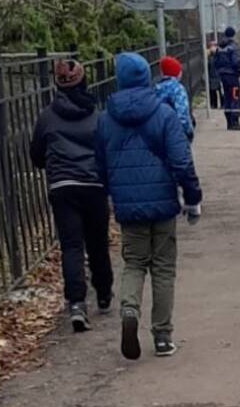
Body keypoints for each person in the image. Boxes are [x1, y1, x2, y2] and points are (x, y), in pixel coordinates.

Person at [95, 52, 203, 360]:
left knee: (134, 263)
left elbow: (100, 166)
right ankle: (162, 337)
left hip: (129, 207)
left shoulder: (106, 119)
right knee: (164, 267)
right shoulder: (164, 114)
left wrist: (109, 196)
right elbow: (181, 160)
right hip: (164, 201)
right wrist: (192, 197)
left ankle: (130, 310)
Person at [29, 59, 113, 333]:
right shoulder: (97, 115)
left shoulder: (47, 116)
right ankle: (103, 291)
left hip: (63, 186)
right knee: (97, 241)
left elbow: (36, 154)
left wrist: (54, 165)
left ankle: (76, 303)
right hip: (94, 185)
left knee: (71, 245)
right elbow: (106, 149)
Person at [213, 27, 240, 131]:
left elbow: (215, 62)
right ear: (233, 34)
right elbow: (236, 61)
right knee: (235, 97)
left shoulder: (219, 47)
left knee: (227, 97)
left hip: (223, 76)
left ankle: (229, 121)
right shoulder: (233, 47)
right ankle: (235, 121)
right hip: (232, 76)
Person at [156, 55, 195, 142]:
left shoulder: (156, 88)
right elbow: (182, 113)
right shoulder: (178, 89)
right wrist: (188, 131)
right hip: (176, 133)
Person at [206, 39, 222, 109]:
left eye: (214, 46)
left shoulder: (219, 54)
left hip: (218, 75)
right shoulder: (209, 56)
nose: (212, 48)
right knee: (212, 91)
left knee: (221, 91)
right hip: (212, 75)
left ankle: (223, 104)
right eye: (211, 46)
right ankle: (213, 104)